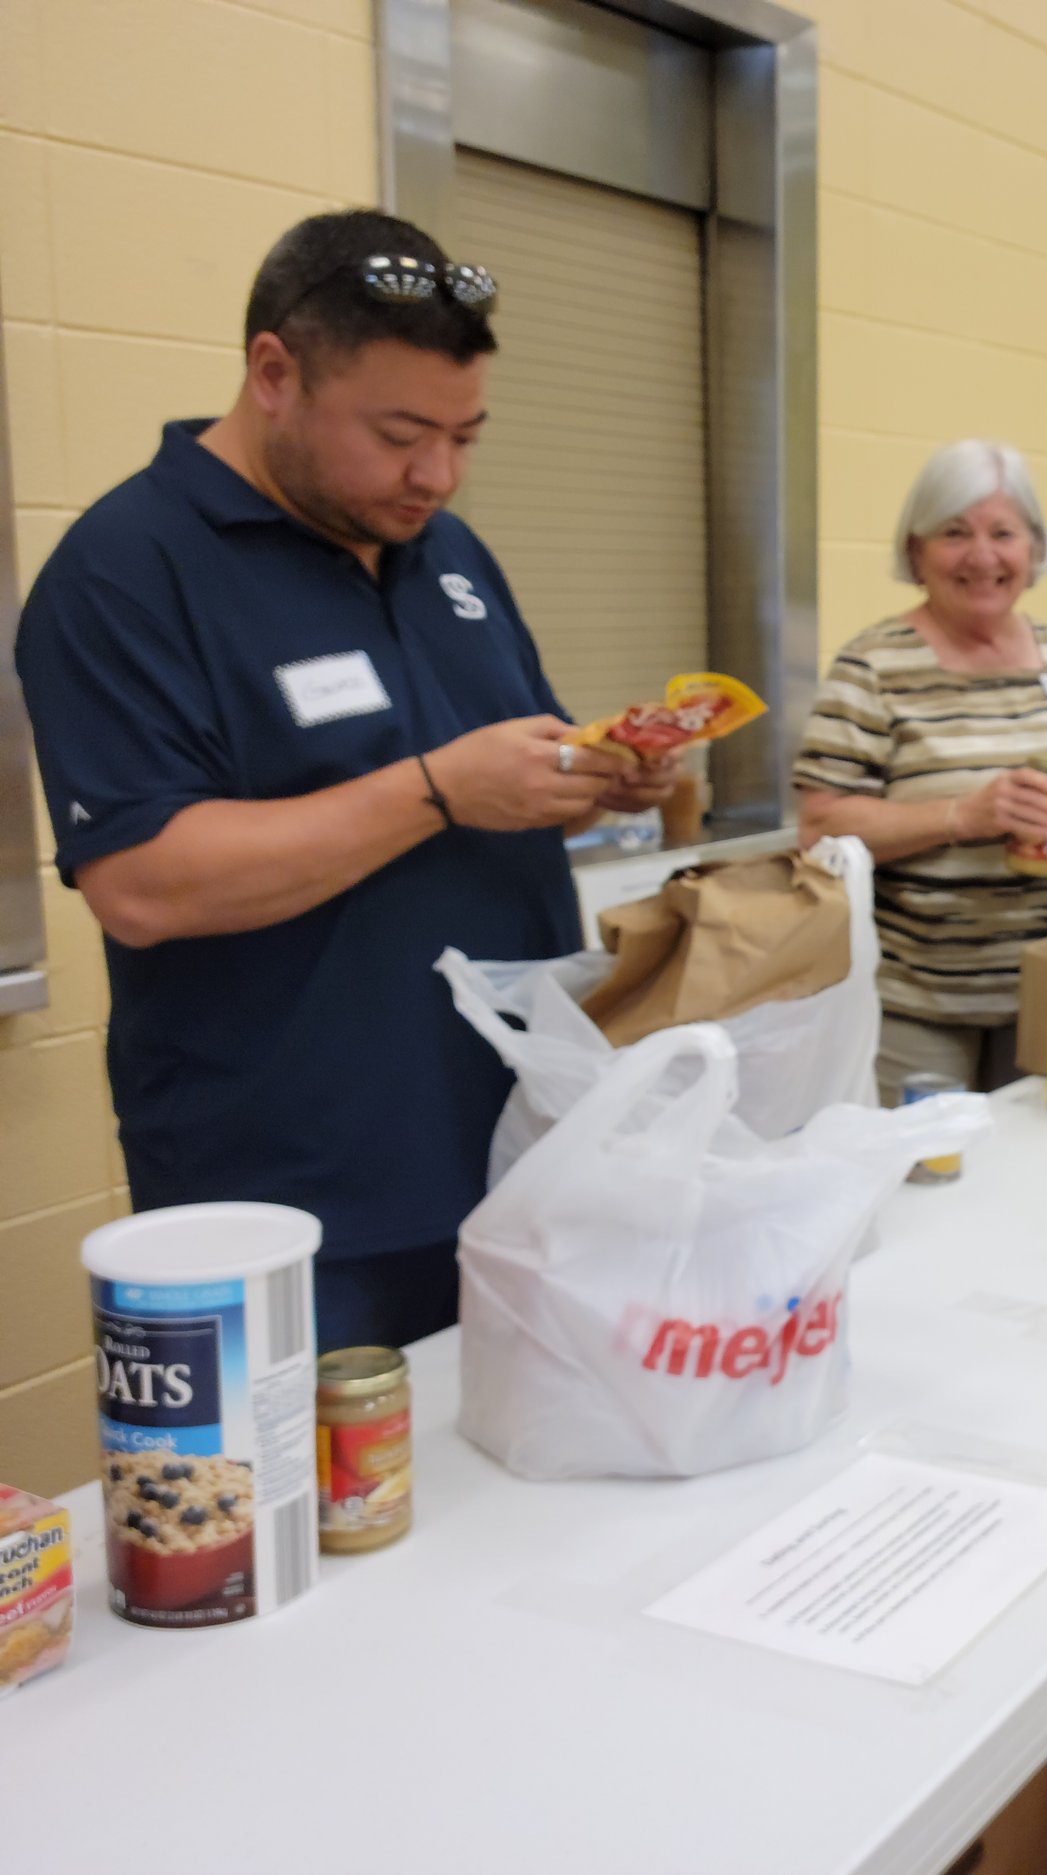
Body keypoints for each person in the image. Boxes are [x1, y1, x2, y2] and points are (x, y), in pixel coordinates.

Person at [13, 211, 675, 1352]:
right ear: (274, 372)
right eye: (401, 432)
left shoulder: (448, 553)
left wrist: (592, 778)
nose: (437, 474)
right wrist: (438, 790)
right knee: (340, 1515)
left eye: (468, 435)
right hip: (296, 1201)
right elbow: (144, 884)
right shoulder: (124, 572)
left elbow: (486, 767)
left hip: (515, 1150)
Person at [795, 440, 1047, 1102]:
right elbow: (818, 830)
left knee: (1037, 1181)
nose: (982, 556)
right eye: (955, 533)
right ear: (916, 551)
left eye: (1003, 533)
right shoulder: (873, 668)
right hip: (919, 1003)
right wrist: (961, 816)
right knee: (928, 1184)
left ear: (1034, 550)